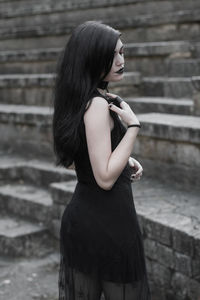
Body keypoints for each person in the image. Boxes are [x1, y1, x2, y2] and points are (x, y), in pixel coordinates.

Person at [52, 20, 151, 300]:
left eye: (123, 52)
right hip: (107, 226)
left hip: (88, 222)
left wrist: (124, 157)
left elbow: (79, 160)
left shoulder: (84, 99)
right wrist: (132, 128)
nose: (122, 60)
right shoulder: (96, 105)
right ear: (94, 58)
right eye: (115, 54)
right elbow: (105, 178)